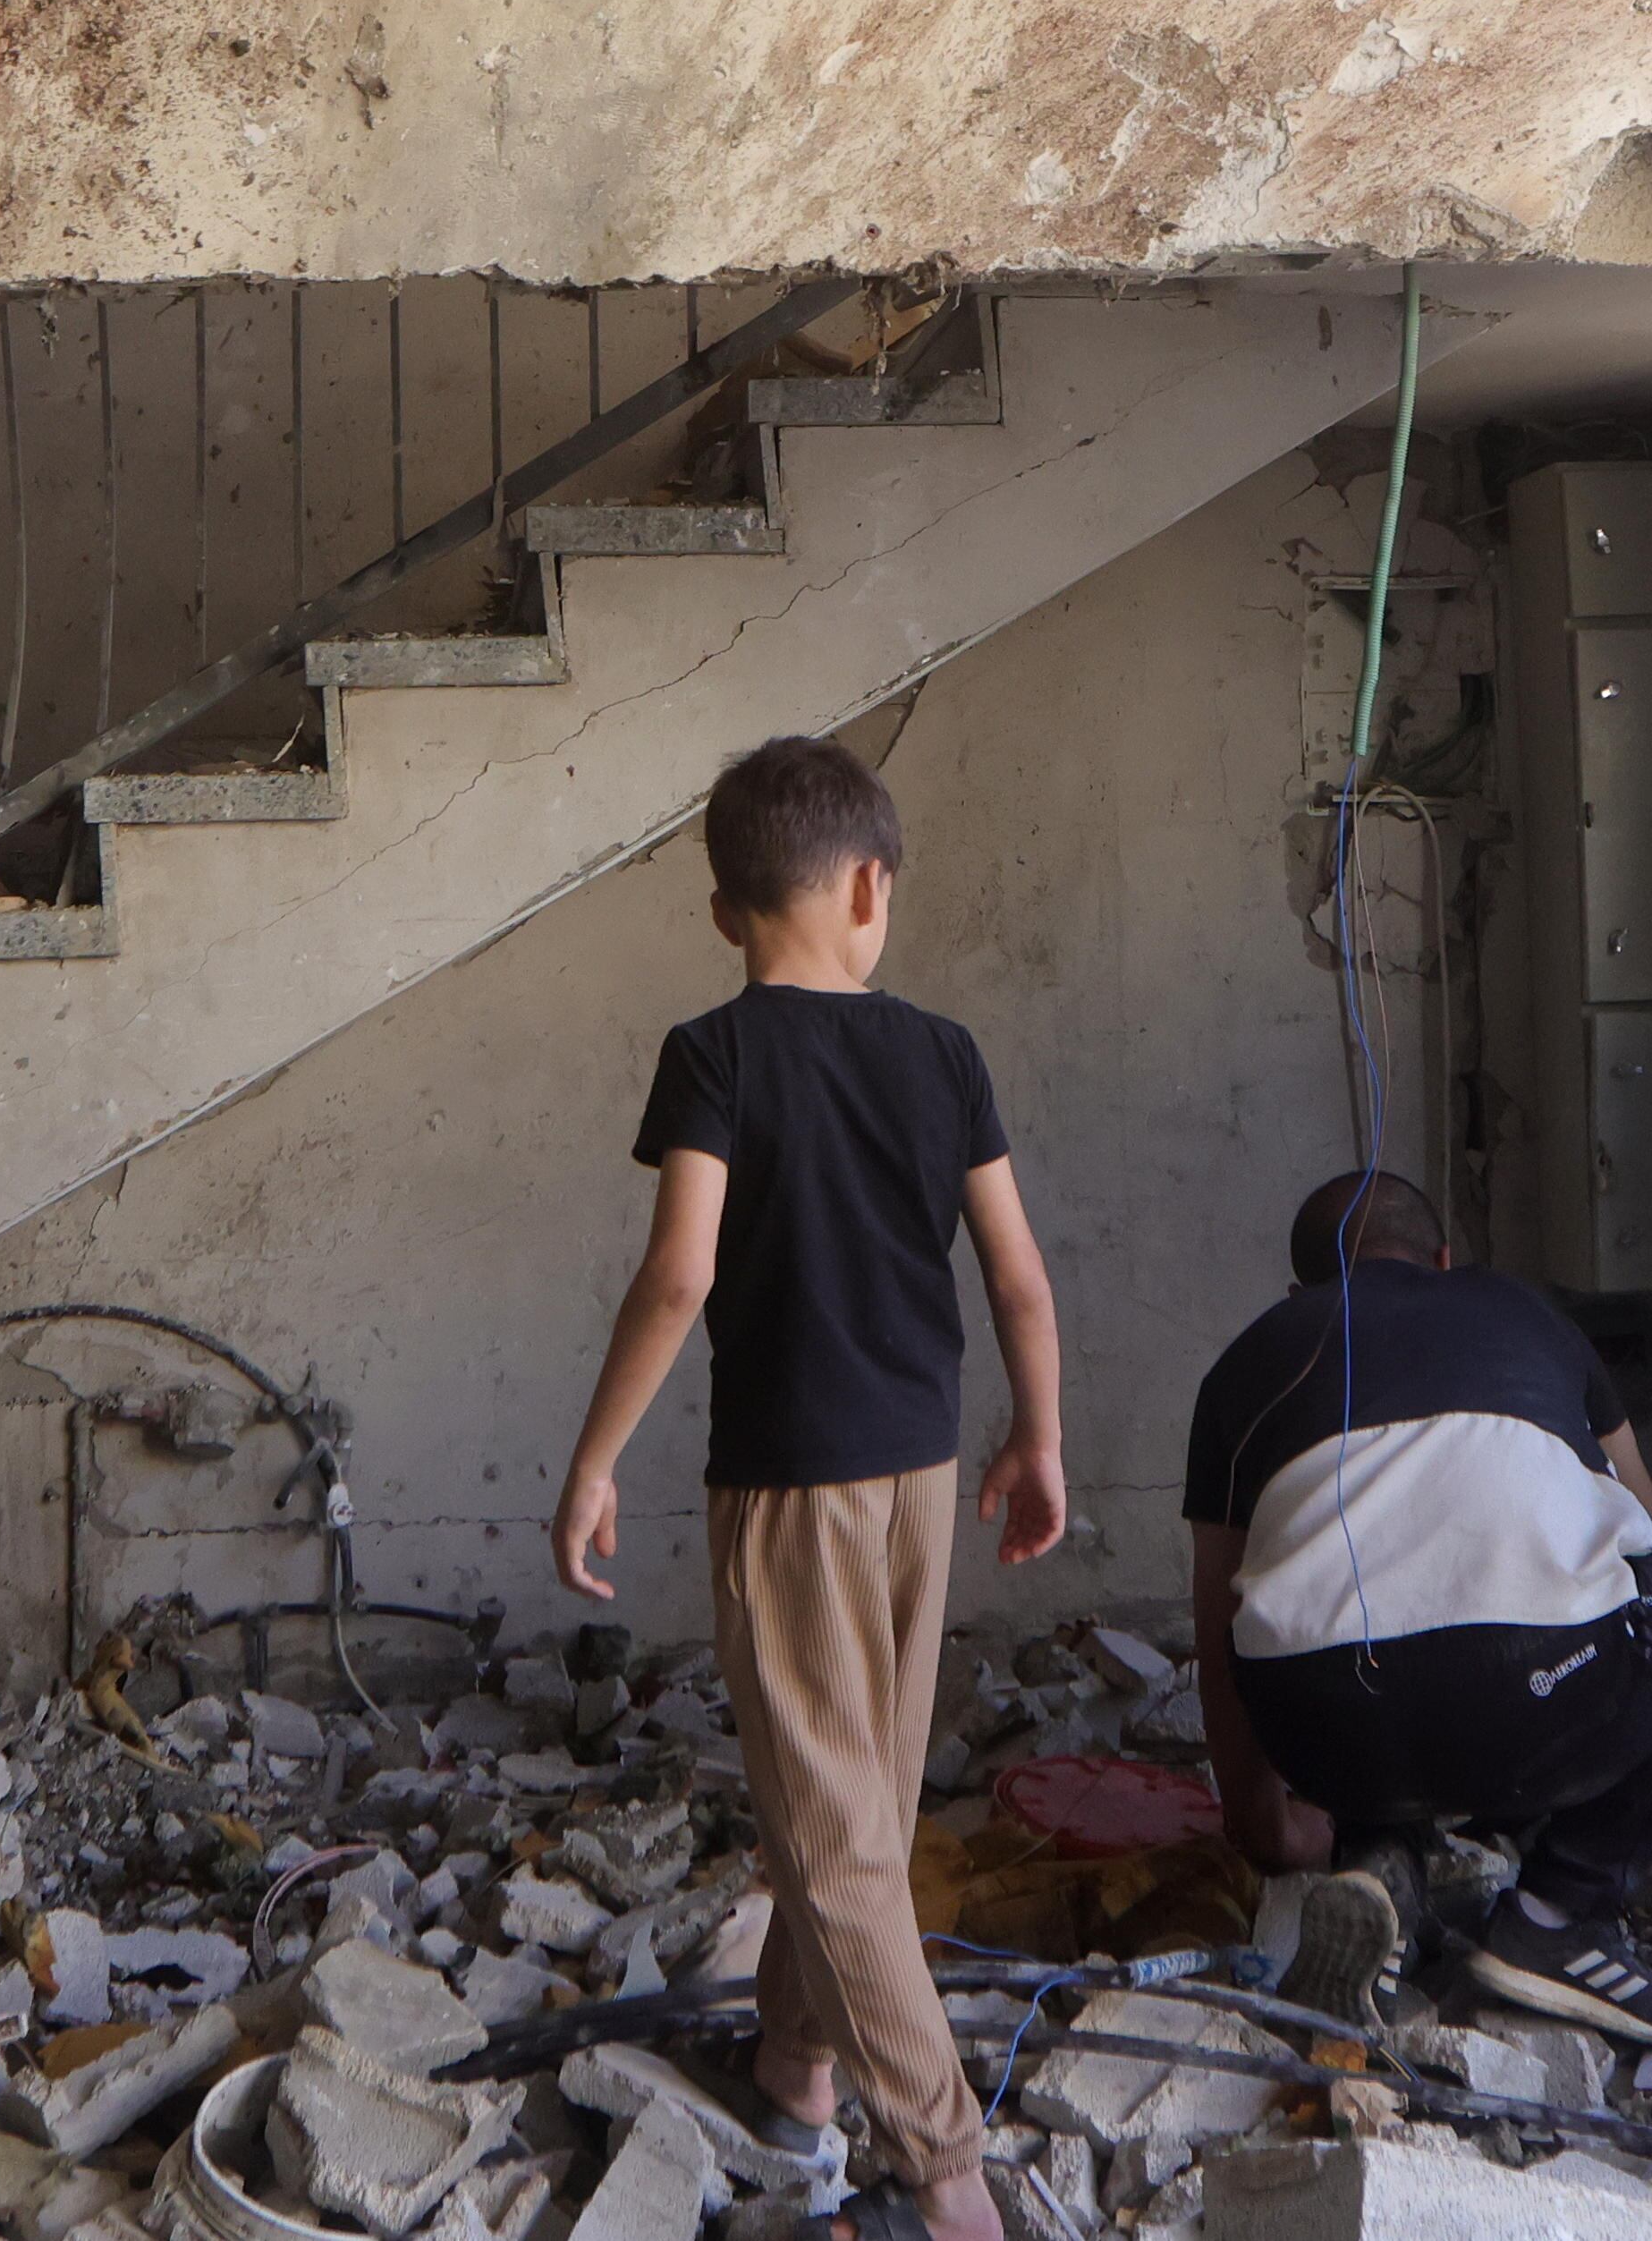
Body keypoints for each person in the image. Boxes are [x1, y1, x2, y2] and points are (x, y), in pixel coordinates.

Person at [552, 734, 1070, 2241]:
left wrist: (594, 1462)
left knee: (835, 1830)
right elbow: (1021, 1278)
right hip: (919, 1468)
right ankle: (794, 2076)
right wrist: (1037, 1438)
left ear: (724, 914)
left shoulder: (713, 1054)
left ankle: (949, 2177)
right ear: (870, 885)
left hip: (787, 1483)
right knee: (855, 1804)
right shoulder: (945, 1050)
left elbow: (678, 1273)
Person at [1181, 1169, 1652, 2040]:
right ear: (1444, 1262)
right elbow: (1642, 1525)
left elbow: (1217, 1617)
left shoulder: (1245, 1363)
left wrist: (1258, 1826)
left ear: (1302, 1292)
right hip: (1531, 1695)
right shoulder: (1527, 1315)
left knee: (1359, 1626)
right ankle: (1561, 1917)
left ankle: (1381, 1863)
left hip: (1326, 1727)